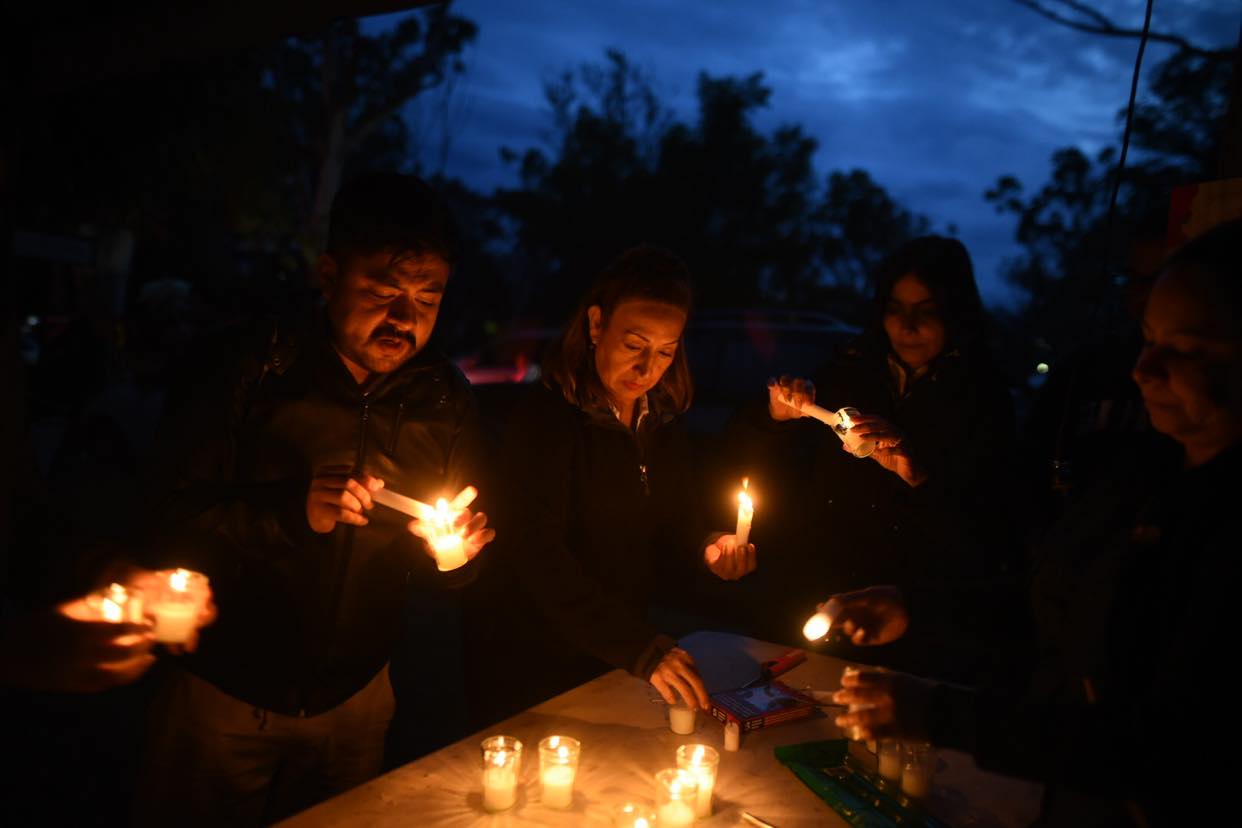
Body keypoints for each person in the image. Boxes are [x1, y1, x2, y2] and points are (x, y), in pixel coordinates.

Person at [829, 218, 1242, 826]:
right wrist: (913, 606)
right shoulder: (1143, 476)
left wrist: (940, 714)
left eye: (1187, 350)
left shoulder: (1219, 527)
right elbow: (1057, 599)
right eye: (1148, 337)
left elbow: (1162, 743)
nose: (1142, 369)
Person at [135, 173, 494, 826]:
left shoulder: (445, 400)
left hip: (358, 703)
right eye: (383, 292)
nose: (404, 319)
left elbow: (461, 557)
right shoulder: (257, 369)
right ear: (329, 275)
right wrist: (292, 513)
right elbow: (166, 517)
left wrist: (457, 558)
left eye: (427, 297)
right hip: (224, 692)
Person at [465, 245, 755, 726]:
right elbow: (538, 555)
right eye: (634, 344)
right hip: (530, 664)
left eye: (665, 351)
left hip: (611, 660)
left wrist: (708, 547)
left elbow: (673, 524)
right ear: (597, 325)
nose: (648, 369)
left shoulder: (659, 422)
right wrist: (638, 649)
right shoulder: (547, 421)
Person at [729, 237, 1021, 681]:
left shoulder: (984, 397)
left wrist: (917, 472)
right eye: (895, 308)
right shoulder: (847, 371)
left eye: (927, 310)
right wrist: (777, 419)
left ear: (955, 310)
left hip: (916, 623)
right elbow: (781, 473)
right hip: (821, 599)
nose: (907, 325)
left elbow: (989, 528)